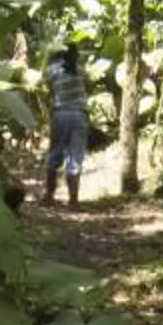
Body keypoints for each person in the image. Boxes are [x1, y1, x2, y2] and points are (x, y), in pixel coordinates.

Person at [45, 44, 91, 206]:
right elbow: (86, 87)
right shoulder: (80, 70)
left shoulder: (53, 70)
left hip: (61, 114)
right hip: (79, 115)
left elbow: (50, 90)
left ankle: (49, 196)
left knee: (55, 154)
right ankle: (73, 200)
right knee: (75, 157)